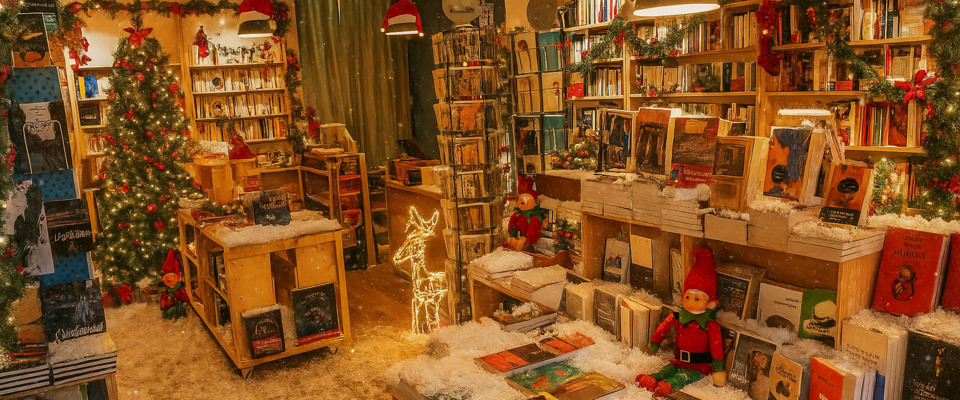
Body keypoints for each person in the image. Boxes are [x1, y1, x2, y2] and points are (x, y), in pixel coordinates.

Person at [637, 247, 727, 396]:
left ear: (710, 302)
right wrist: (653, 345)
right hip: (678, 360)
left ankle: (668, 385)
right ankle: (652, 379)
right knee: (667, 370)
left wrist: (718, 369)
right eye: (688, 296)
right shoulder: (679, 316)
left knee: (682, 377)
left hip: (700, 367)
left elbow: (716, 348)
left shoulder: (710, 324)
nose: (691, 302)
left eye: (697, 298)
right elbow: (662, 328)